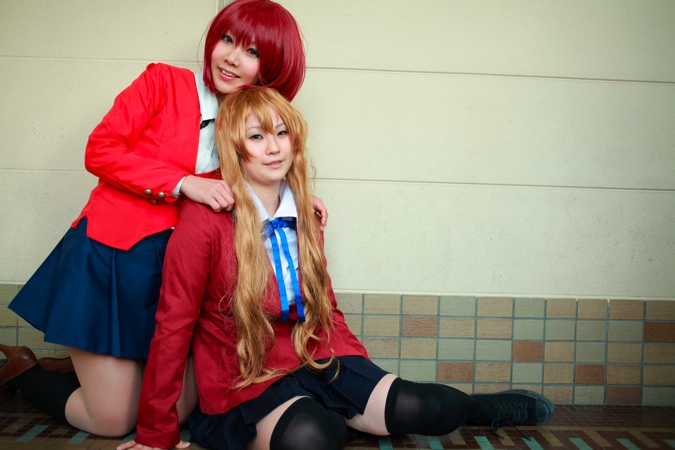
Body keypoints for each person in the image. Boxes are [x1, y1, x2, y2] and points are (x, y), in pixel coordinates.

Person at [119, 87, 554, 450]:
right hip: (244, 376)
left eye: (282, 133)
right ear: (235, 147)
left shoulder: (306, 213)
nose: (274, 147)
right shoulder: (205, 219)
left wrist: (356, 372)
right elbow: (173, 324)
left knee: (428, 408)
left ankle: (484, 408)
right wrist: (155, 432)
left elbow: (325, 305)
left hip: (314, 354)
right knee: (315, 435)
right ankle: (323, 416)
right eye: (256, 137)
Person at [0, 0, 327, 437]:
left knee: (185, 405)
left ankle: (85, 374)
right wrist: (182, 182)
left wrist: (294, 199)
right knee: (114, 421)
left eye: (251, 52)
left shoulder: (255, 123)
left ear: (271, 69)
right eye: (227, 39)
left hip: (182, 276)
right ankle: (25, 371)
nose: (231, 57)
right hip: (114, 258)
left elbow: (260, 180)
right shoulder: (164, 82)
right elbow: (100, 150)